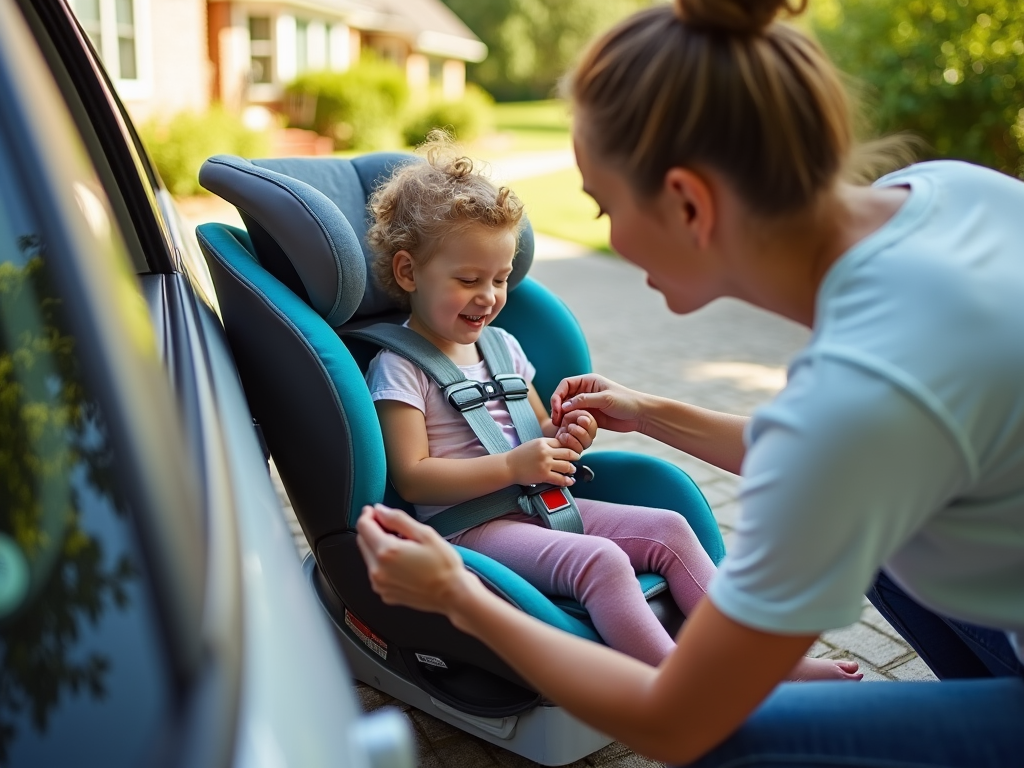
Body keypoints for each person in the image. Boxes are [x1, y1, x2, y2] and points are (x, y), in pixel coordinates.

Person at [356, 0, 1024, 764]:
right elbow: (831, 452)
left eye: (604, 205)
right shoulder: (958, 190)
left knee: (731, 740)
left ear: (687, 202)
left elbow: (676, 724)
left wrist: (457, 596)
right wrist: (646, 410)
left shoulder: (859, 402)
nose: (608, 235)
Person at [362, 133, 860, 678]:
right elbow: (412, 479)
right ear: (409, 272)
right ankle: (685, 688)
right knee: (602, 562)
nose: (489, 296)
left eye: (501, 279)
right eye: (468, 280)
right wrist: (512, 466)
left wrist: (567, 432)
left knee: (668, 528)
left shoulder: (502, 346)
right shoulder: (401, 368)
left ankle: (760, 664)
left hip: (543, 505)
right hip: (471, 528)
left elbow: (538, 433)